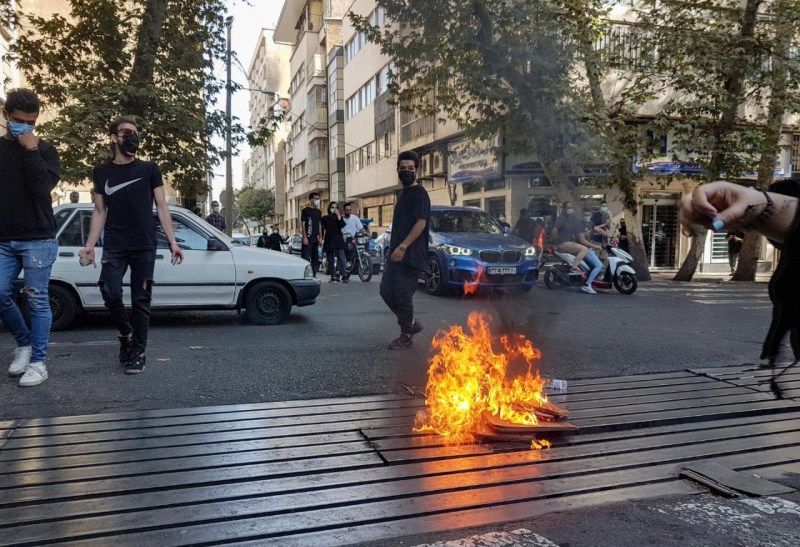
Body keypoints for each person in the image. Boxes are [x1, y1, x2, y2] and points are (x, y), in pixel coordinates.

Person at [81, 115, 184, 374]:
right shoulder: (101, 171)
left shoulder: (149, 169)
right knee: (109, 291)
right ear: (114, 137)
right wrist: (90, 244)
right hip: (115, 244)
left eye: (136, 132)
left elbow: (162, 207)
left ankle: (137, 351)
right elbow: (100, 211)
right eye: (127, 132)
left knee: (141, 299)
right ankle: (126, 332)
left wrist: (173, 241)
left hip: (144, 244)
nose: (132, 136)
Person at [680, 180, 800, 380]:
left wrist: (762, 205)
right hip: (788, 297)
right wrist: (760, 206)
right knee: (784, 330)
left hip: (788, 297)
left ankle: (770, 360)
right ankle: (770, 360)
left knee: (783, 330)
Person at [0, 88, 60, 387]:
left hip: (38, 237)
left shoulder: (45, 150)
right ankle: (24, 344)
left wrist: (31, 151)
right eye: (19, 120)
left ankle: (38, 362)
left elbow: (41, 189)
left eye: (32, 122)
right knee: (0, 295)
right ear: (6, 116)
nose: (25, 126)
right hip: (3, 240)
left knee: (37, 301)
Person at [380, 150, 430, 349]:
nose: (406, 172)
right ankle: (409, 323)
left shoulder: (419, 194)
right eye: (403, 169)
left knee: (402, 294)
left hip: (411, 254)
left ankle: (406, 335)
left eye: (410, 168)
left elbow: (421, 223)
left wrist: (403, 246)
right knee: (385, 291)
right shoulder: (403, 193)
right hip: (396, 254)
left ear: (416, 170)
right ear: (398, 170)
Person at [552, 201, 600, 294]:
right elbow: (554, 230)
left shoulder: (571, 219)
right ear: (564, 209)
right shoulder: (561, 218)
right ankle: (574, 268)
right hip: (563, 243)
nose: (570, 209)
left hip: (569, 242)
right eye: (568, 208)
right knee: (584, 249)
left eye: (571, 207)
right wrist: (555, 243)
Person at [321, 202, 348, 283]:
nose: (334, 209)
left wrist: (339, 215)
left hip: (339, 240)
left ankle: (343, 276)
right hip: (329, 240)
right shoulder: (325, 218)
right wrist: (321, 237)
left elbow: (342, 225)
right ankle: (333, 276)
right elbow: (322, 228)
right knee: (331, 260)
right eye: (332, 207)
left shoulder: (339, 217)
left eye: (336, 207)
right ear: (329, 208)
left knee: (342, 259)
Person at [300, 192, 322, 276]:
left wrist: (320, 236)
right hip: (308, 238)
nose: (318, 200)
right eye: (316, 198)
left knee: (315, 259)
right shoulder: (305, 211)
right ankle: (304, 275)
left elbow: (319, 224)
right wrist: (304, 237)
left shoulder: (318, 212)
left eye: (318, 199)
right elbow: (303, 223)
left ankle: (314, 275)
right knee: (305, 258)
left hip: (315, 239)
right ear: (311, 199)